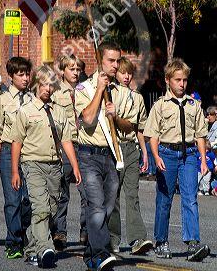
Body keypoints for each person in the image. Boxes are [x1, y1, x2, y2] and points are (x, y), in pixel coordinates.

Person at [11, 65, 81, 268]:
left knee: (49, 210)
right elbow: (16, 141)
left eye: (51, 86)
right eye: (43, 85)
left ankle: (32, 249)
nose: (47, 89)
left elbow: (66, 140)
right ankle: (45, 250)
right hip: (32, 164)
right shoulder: (26, 111)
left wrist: (75, 166)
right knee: (40, 208)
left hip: (54, 166)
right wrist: (15, 171)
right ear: (36, 85)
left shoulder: (59, 111)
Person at [75, 42, 137, 271]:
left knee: (108, 209)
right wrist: (100, 90)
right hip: (89, 154)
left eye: (118, 60)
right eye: (111, 60)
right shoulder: (83, 89)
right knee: (96, 207)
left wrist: (117, 117)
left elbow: (129, 127)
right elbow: (88, 120)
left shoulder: (121, 92)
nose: (115, 65)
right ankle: (101, 253)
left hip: (112, 155)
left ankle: (91, 255)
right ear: (99, 59)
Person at [144, 58, 210, 262]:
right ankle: (161, 241)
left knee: (190, 198)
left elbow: (200, 135)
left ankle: (192, 243)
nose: (182, 84)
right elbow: (152, 135)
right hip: (167, 154)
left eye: (184, 80)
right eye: (178, 80)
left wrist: (203, 161)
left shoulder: (194, 104)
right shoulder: (160, 106)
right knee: (164, 200)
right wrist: (156, 157)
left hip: (189, 155)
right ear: (168, 80)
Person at [108, 57, 153, 255]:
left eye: (129, 73)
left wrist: (144, 152)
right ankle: (112, 238)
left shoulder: (137, 98)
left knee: (132, 195)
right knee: (113, 196)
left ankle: (137, 238)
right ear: (116, 73)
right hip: (114, 148)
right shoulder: (109, 93)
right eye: (122, 72)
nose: (126, 76)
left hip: (131, 147)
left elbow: (139, 128)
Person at [0, 57, 32, 259]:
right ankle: (13, 242)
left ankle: (26, 235)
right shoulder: (3, 100)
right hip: (7, 152)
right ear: (12, 76)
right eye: (20, 74)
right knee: (13, 199)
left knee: (29, 200)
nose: (25, 78)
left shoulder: (33, 99)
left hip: (30, 152)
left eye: (27, 74)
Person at [52, 54, 88, 250]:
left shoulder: (85, 91)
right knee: (62, 192)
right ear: (63, 71)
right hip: (65, 146)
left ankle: (86, 232)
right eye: (71, 69)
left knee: (86, 191)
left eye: (78, 69)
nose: (75, 72)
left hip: (83, 145)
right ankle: (60, 233)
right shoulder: (56, 93)